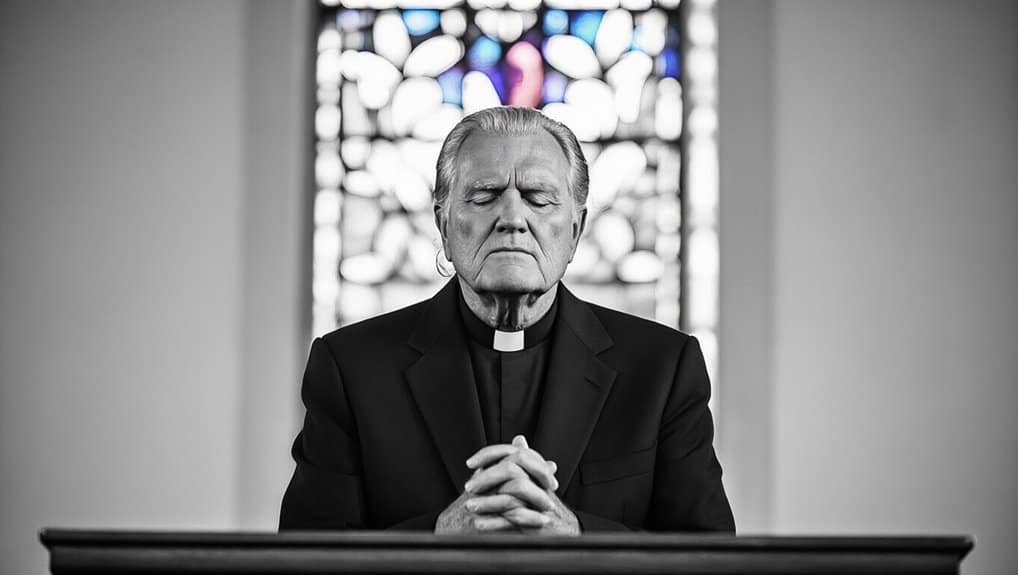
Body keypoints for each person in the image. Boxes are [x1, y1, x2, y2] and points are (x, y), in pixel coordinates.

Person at [279, 107, 735, 534]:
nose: (512, 218)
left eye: (538, 198)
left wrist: (578, 538)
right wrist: (437, 538)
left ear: (575, 230)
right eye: (484, 196)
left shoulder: (662, 368)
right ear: (443, 224)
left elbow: (712, 564)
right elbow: (303, 564)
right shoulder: (351, 368)